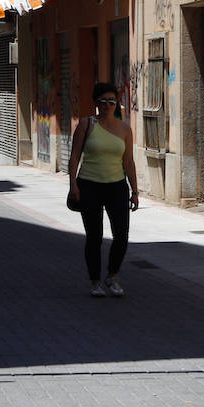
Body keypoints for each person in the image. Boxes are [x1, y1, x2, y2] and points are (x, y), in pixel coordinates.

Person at [66, 82, 137, 297]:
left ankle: (112, 276)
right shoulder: (86, 124)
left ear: (117, 103)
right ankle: (95, 281)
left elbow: (129, 161)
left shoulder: (125, 129)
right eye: (103, 101)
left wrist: (135, 190)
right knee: (95, 236)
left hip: (117, 186)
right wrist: (73, 185)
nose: (107, 105)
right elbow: (74, 157)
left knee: (122, 236)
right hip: (89, 185)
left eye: (112, 101)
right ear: (96, 103)